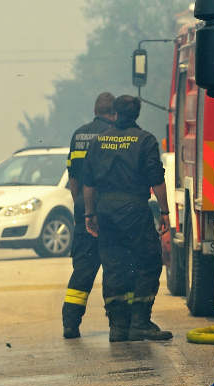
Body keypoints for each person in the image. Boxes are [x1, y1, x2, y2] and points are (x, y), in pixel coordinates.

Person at [82, 95, 172, 342]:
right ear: (137, 113)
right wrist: (164, 212)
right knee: (148, 262)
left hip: (106, 211)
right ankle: (140, 322)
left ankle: (118, 327)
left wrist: (90, 213)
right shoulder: (145, 140)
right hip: (134, 209)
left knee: (113, 266)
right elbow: (157, 180)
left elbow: (88, 184)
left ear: (115, 112)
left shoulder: (99, 141)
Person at [61, 92, 116, 339]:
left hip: (83, 209)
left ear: (95, 110)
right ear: (113, 113)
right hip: (110, 210)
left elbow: (73, 177)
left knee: (83, 268)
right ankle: (117, 325)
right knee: (114, 267)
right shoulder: (115, 136)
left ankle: (70, 324)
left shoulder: (78, 135)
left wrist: (80, 205)